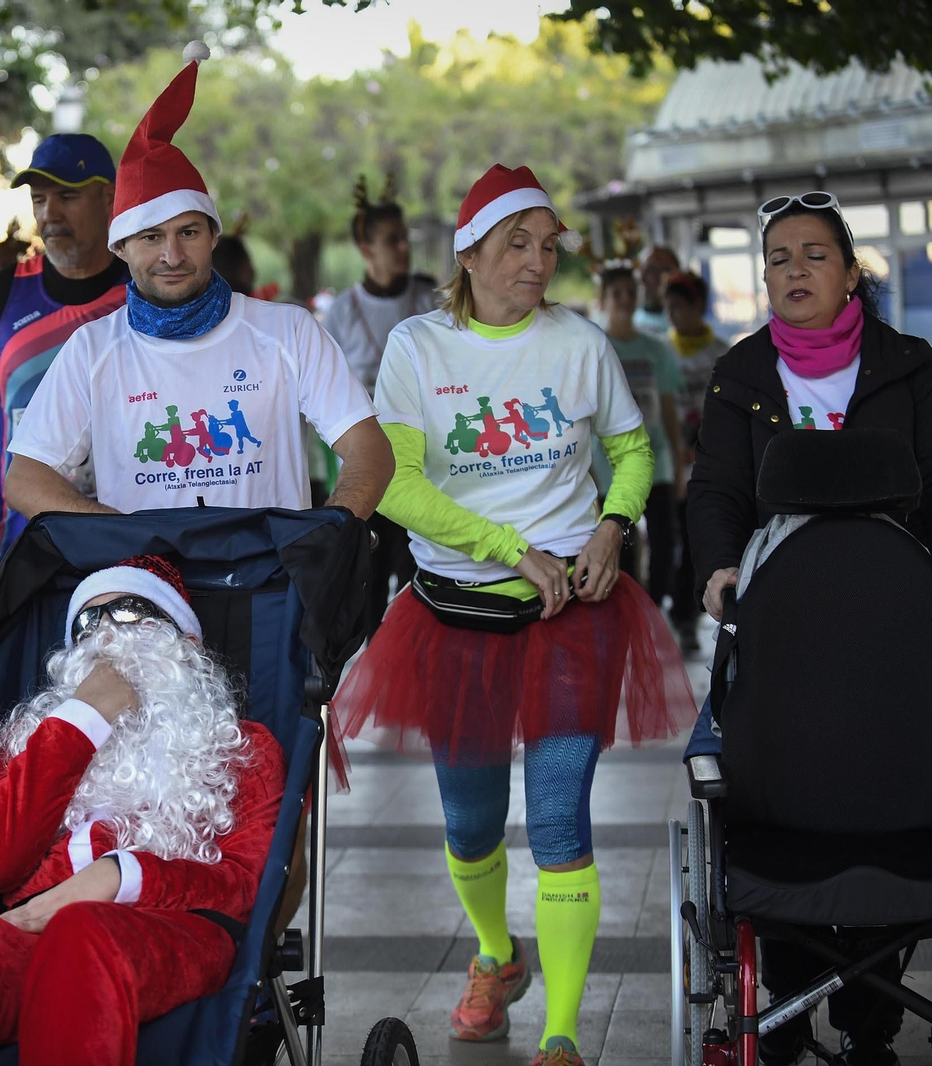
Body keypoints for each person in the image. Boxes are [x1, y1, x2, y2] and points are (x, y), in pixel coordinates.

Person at [332, 164, 696, 1066]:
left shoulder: (579, 342)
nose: (538, 262)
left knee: (561, 821)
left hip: (573, 611)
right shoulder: (419, 347)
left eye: (548, 245)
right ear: (469, 254)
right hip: (455, 615)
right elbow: (393, 484)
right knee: (471, 825)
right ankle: (496, 956)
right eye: (516, 244)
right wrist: (507, 548)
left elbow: (631, 450)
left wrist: (613, 526)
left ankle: (562, 1034)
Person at [686, 190, 932, 1066]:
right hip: (782, 625)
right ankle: (783, 1002)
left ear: (852, 273)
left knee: (892, 783)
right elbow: (716, 490)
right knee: (783, 788)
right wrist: (718, 571)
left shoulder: (908, 366)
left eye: (815, 254)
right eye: (778, 258)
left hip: (894, 620)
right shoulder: (742, 374)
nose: (795, 270)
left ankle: (870, 1017)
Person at [0, 556, 286, 1066]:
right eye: (88, 623)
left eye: (130, 613)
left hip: (170, 935)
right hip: (32, 939)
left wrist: (118, 876)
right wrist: (83, 720)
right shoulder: (36, 739)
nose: (107, 637)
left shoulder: (241, 747)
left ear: (184, 643)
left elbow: (247, 888)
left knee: (83, 934)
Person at [2, 43, 393, 526]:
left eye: (187, 232)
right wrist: (119, 535)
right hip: (145, 573)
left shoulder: (289, 331)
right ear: (121, 248)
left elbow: (369, 449)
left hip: (271, 571)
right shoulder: (92, 349)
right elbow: (25, 477)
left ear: (213, 237)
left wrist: (330, 532)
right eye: (151, 237)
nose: (172, 256)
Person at [0, 133, 129, 617]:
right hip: (23, 552)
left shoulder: (143, 290)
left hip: (127, 552)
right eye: (39, 199)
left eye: (67, 196)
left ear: (109, 197)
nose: (50, 214)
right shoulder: (6, 291)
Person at [323, 174, 439, 634]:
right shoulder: (341, 312)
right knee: (367, 589)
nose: (404, 248)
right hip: (367, 471)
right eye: (392, 240)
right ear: (366, 248)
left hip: (426, 468)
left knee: (420, 579)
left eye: (405, 238)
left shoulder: (429, 299)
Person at [590, 261, 683, 614]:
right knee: (621, 545)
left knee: (664, 541)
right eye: (617, 293)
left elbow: (669, 410)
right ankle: (628, 615)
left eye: (631, 292)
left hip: (657, 463)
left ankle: (653, 610)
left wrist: (677, 465)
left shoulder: (657, 350)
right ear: (603, 299)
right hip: (609, 468)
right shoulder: (594, 349)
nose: (626, 299)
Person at [660, 271, 728, 650]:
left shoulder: (720, 352)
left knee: (698, 542)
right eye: (668, 307)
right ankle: (681, 614)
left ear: (698, 306)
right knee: (677, 542)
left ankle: (691, 613)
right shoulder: (662, 351)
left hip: (711, 465)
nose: (673, 315)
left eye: (680, 307)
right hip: (674, 465)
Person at [631, 244, 680, 334]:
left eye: (650, 270)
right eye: (641, 270)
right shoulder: (630, 319)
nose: (642, 278)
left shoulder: (684, 320)